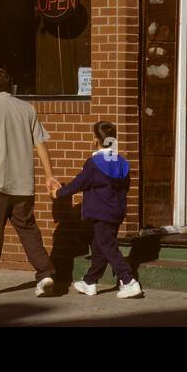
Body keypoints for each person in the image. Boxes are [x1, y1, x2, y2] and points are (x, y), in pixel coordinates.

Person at [0, 67, 61, 297]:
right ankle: (45, 273)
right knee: (28, 230)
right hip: (23, 179)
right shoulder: (26, 108)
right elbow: (40, 145)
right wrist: (49, 176)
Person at [53, 121, 142, 298]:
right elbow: (126, 188)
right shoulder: (122, 162)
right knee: (100, 247)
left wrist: (59, 192)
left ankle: (128, 280)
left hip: (100, 212)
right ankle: (90, 281)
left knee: (108, 247)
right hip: (117, 211)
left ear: (96, 140)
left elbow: (78, 184)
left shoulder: (94, 163)